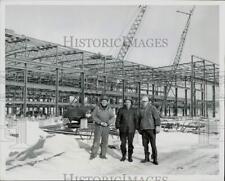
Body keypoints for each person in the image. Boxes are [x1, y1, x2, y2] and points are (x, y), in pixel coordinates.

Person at [137, 96, 161, 165]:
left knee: (153, 145)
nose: (143, 103)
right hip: (143, 129)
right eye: (142, 101)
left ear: (148, 102)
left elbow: (157, 118)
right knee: (145, 145)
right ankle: (146, 157)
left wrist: (157, 126)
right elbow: (138, 119)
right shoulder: (140, 109)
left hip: (151, 129)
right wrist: (138, 128)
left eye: (145, 101)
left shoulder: (152, 108)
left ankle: (155, 158)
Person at [90, 95, 115, 160]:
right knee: (96, 141)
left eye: (105, 101)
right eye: (103, 101)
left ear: (107, 102)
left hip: (106, 127)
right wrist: (100, 122)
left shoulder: (109, 109)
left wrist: (108, 123)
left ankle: (103, 154)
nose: (104, 102)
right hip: (98, 126)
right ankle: (93, 154)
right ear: (101, 102)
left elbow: (113, 117)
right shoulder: (97, 108)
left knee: (105, 141)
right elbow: (93, 116)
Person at [115, 97, 137, 162]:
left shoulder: (134, 110)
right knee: (123, 144)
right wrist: (117, 127)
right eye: (126, 102)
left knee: (130, 144)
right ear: (124, 103)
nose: (127, 103)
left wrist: (136, 128)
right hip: (123, 130)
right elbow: (118, 119)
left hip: (131, 130)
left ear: (131, 103)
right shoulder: (121, 110)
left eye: (129, 102)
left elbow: (136, 120)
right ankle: (123, 156)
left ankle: (130, 156)